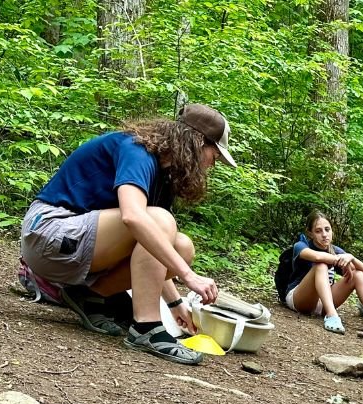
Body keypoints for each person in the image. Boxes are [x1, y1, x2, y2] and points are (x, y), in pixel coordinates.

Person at [19, 103, 234, 365]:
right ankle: (146, 328)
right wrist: (189, 277)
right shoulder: (137, 151)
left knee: (182, 247)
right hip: (48, 233)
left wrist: (175, 303)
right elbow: (133, 217)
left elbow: (150, 245)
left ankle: (88, 297)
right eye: (215, 155)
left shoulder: (162, 169)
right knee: (158, 220)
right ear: (198, 142)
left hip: (76, 242)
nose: (213, 164)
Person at [282, 211, 363, 337]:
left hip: (323, 301)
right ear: (310, 233)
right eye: (318, 231)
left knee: (356, 274)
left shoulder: (335, 250)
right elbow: (318, 257)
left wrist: (351, 258)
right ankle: (331, 315)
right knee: (321, 265)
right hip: (299, 299)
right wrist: (339, 259)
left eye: (327, 229)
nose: (324, 235)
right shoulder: (301, 245)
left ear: (332, 231)